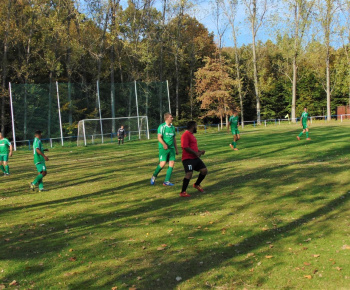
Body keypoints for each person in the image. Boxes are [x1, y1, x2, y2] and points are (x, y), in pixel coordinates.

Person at [180, 121, 208, 197]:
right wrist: (195, 153)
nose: (196, 128)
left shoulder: (191, 135)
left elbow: (192, 147)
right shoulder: (185, 135)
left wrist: (199, 151)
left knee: (204, 170)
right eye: (196, 126)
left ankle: (196, 184)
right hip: (188, 158)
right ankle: (183, 192)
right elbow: (185, 147)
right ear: (193, 127)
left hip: (195, 158)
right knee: (189, 173)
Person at [150, 113, 178, 186]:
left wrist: (176, 149)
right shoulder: (162, 126)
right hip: (163, 148)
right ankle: (154, 176)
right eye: (171, 117)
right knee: (162, 164)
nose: (172, 118)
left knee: (172, 163)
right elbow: (159, 137)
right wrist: (164, 144)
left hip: (171, 148)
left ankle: (166, 181)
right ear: (167, 118)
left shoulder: (172, 127)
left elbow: (174, 138)